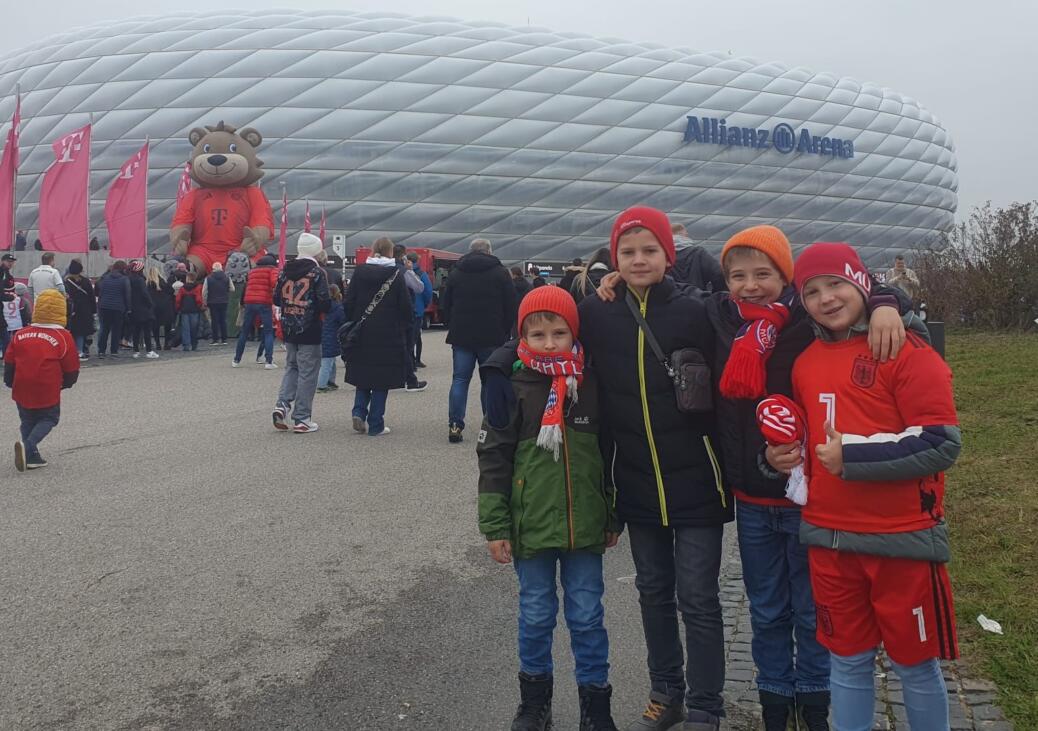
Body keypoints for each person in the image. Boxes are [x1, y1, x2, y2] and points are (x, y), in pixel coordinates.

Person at [767, 242, 960, 731]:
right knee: (847, 664)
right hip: (828, 538)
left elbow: (940, 442)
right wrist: (778, 459)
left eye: (836, 284)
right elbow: (806, 441)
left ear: (861, 283)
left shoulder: (905, 347)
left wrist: (852, 457)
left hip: (902, 539)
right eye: (811, 291)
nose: (826, 298)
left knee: (915, 665)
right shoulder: (805, 362)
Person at [477, 286, 620, 731]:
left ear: (574, 333)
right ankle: (534, 701)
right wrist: (495, 524)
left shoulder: (592, 384)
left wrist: (611, 514)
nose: (550, 342)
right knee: (536, 614)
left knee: (587, 615)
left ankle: (595, 706)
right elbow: (494, 457)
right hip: (530, 525)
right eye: (538, 334)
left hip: (584, 527)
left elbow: (609, 453)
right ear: (522, 336)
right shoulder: (512, 387)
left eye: (559, 332)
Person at [440, 238, 516, 443]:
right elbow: (511, 305)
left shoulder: (456, 272)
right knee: (489, 380)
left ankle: (455, 424)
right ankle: (489, 424)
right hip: (491, 336)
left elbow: (445, 303)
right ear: (489, 252)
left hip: (462, 335)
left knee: (460, 380)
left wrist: (452, 323)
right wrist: (505, 332)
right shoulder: (501, 273)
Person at [3, 289, 79, 471]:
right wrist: (68, 382)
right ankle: (27, 447)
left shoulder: (21, 333)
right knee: (49, 418)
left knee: (27, 420)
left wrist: (9, 380)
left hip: (21, 383)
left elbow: (9, 360)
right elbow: (71, 365)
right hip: (46, 385)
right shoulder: (63, 336)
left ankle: (31, 456)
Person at [343, 237, 412, 436]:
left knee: (363, 375)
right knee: (382, 379)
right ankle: (376, 423)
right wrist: (403, 327)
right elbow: (405, 307)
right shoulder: (396, 274)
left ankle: (358, 412)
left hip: (362, 331)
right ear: (391, 252)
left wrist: (353, 322)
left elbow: (349, 301)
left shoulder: (360, 271)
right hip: (388, 334)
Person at [272, 232, 331, 433]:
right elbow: (324, 303)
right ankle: (302, 417)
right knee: (308, 372)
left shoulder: (284, 270)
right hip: (309, 327)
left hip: (289, 326)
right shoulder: (317, 273)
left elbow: (276, 299)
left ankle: (282, 404)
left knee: (292, 366)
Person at [233, 254, 279, 368]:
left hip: (250, 301)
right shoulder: (272, 270)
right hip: (264, 302)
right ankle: (269, 361)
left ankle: (236, 360)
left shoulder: (252, 271)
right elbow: (275, 284)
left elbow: (247, 285)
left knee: (245, 331)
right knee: (268, 332)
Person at [670, 223, 726, 293]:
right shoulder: (699, 252)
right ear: (685, 234)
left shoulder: (664, 255)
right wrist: (716, 294)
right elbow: (719, 273)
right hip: (698, 299)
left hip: (670, 300)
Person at [96, 260, 131, 358]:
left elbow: (100, 292)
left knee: (104, 329)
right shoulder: (124, 279)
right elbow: (127, 295)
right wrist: (128, 308)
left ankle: (101, 351)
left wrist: (99, 305)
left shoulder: (105, 278)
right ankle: (114, 351)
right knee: (116, 330)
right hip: (118, 307)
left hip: (104, 307)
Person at [64, 259, 96, 359]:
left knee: (72, 331)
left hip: (71, 310)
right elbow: (91, 297)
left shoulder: (66, 282)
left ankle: (72, 351)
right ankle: (81, 351)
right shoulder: (86, 281)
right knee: (82, 332)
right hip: (85, 310)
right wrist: (94, 311)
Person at [406, 251, 433, 369]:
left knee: (408, 336)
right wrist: (424, 305)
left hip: (406, 309)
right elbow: (427, 292)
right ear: (417, 261)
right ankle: (415, 361)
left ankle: (410, 360)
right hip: (418, 309)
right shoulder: (422, 274)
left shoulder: (403, 272)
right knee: (417, 336)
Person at [127, 261, 159, 359]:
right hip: (144, 309)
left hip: (133, 308)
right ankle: (149, 350)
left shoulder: (128, 279)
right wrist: (151, 304)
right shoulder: (140, 280)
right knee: (146, 331)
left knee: (136, 331)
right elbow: (145, 294)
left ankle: (136, 351)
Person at [317, 284, 345, 392]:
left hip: (322, 334)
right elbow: (343, 321)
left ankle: (330, 381)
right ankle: (322, 384)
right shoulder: (338, 307)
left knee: (330, 360)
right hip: (332, 336)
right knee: (327, 362)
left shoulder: (322, 306)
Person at [203, 262, 233, 345]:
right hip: (224, 301)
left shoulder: (208, 278)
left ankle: (215, 339)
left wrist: (205, 301)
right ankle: (224, 339)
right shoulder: (227, 277)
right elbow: (232, 289)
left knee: (214, 321)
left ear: (213, 269)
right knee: (223, 320)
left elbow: (204, 291)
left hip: (212, 302)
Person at [146, 267, 176, 351]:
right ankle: (166, 344)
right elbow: (171, 291)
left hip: (154, 307)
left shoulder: (148, 284)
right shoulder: (163, 282)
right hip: (165, 306)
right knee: (167, 326)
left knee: (155, 327)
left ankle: (158, 344)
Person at [175, 272, 205, 352]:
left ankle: (186, 346)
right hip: (194, 310)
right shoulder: (198, 287)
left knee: (185, 329)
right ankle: (194, 344)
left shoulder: (182, 288)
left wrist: (178, 308)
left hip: (184, 310)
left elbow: (178, 300)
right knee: (194, 328)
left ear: (187, 279)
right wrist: (200, 306)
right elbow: (198, 299)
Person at [0, 253, 17, 356]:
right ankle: (7, 357)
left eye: (12, 262)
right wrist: (11, 297)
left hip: (3, 307)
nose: (10, 263)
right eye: (8, 261)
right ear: (2, 261)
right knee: (4, 333)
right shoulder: (2, 273)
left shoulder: (7, 274)